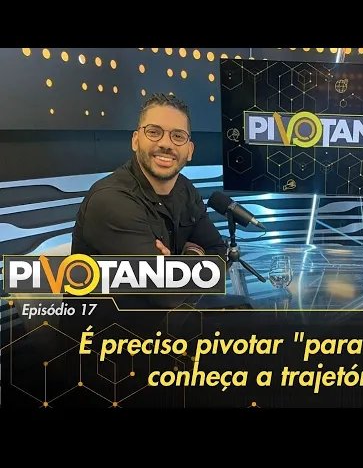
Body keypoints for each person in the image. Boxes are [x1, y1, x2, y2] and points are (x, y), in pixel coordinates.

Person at [70, 93, 240, 312]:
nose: (166, 144)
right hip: (113, 331)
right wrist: (196, 256)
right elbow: (166, 293)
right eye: (154, 132)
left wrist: (178, 266)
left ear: (190, 150)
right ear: (135, 140)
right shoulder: (111, 200)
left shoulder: (185, 189)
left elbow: (218, 252)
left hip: (175, 321)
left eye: (177, 136)